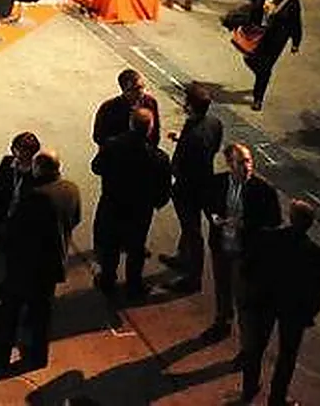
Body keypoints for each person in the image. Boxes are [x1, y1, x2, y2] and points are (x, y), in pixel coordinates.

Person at [0, 150, 81, 373]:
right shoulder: (71, 189)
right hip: (52, 264)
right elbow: (75, 219)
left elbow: (13, 233)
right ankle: (38, 356)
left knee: (9, 313)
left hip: (25, 266)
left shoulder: (36, 197)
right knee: (41, 313)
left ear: (38, 168)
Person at [241, 200, 320, 406]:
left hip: (265, 302)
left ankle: (249, 388)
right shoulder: (316, 254)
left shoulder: (268, 238)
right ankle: (277, 398)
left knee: (255, 348)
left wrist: (253, 293)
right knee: (287, 356)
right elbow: (318, 292)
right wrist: (307, 314)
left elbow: (248, 268)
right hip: (293, 310)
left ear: (291, 218)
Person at [90, 108, 172, 298]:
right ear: (150, 129)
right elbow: (164, 188)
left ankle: (107, 279)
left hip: (112, 204)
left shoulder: (112, 146)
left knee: (110, 245)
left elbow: (96, 167)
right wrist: (156, 203)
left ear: (130, 123)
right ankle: (133, 285)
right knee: (136, 248)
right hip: (140, 210)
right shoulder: (158, 157)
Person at [204, 142, 282, 341]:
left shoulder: (264, 190)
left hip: (245, 251)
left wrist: (245, 224)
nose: (247, 166)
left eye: (248, 161)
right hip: (222, 246)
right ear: (230, 164)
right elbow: (209, 204)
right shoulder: (217, 183)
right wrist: (214, 218)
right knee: (222, 287)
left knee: (244, 298)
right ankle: (222, 323)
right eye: (241, 162)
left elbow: (274, 221)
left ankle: (246, 345)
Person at [167, 83, 224, 293]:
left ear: (190, 106)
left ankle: (193, 277)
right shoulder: (213, 123)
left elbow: (178, 165)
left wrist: (174, 174)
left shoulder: (192, 134)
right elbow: (214, 146)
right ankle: (182, 257)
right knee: (189, 227)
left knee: (192, 231)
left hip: (189, 188)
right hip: (206, 181)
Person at [0, 131, 41, 302]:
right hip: (3, 220)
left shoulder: (37, 172)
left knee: (20, 260)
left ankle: (17, 294)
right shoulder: (8, 164)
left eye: (24, 152)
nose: (18, 155)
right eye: (16, 150)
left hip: (23, 225)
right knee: (1, 257)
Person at [238, 0, 303, 111]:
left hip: (275, 40)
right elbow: (247, 4)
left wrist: (296, 42)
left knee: (266, 69)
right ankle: (260, 76)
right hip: (256, 34)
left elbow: (295, 23)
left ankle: (258, 98)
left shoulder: (291, 1)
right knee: (249, 59)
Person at [92, 68, 161, 148]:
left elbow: (155, 131)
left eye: (142, 87)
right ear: (124, 90)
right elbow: (98, 137)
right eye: (135, 89)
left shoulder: (150, 103)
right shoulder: (108, 108)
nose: (140, 92)